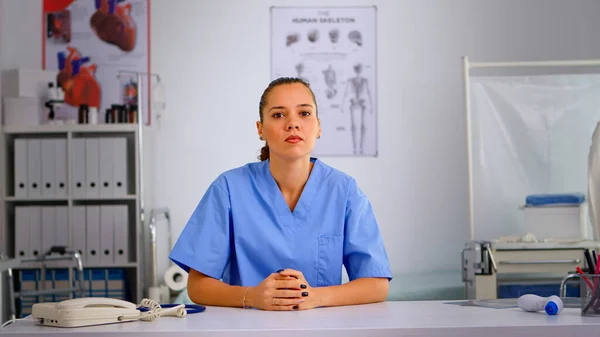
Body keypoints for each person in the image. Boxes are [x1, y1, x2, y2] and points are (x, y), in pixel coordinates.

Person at [169, 77, 392, 311]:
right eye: (278, 115)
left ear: (319, 126)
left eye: (304, 113)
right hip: (247, 329)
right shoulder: (228, 189)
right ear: (260, 129)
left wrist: (316, 297)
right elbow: (197, 286)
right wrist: (252, 296)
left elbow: (376, 285)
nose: (292, 124)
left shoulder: (344, 191)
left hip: (321, 329)